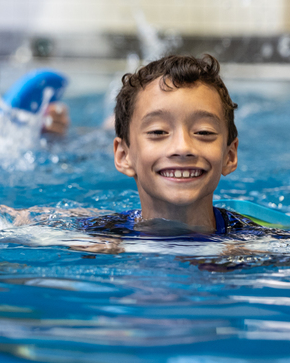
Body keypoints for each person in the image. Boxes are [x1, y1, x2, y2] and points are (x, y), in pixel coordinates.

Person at [100, 53, 260, 237]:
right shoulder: (97, 241)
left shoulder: (259, 247)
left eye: (203, 132)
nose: (182, 148)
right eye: (158, 132)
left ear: (229, 155)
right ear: (123, 156)